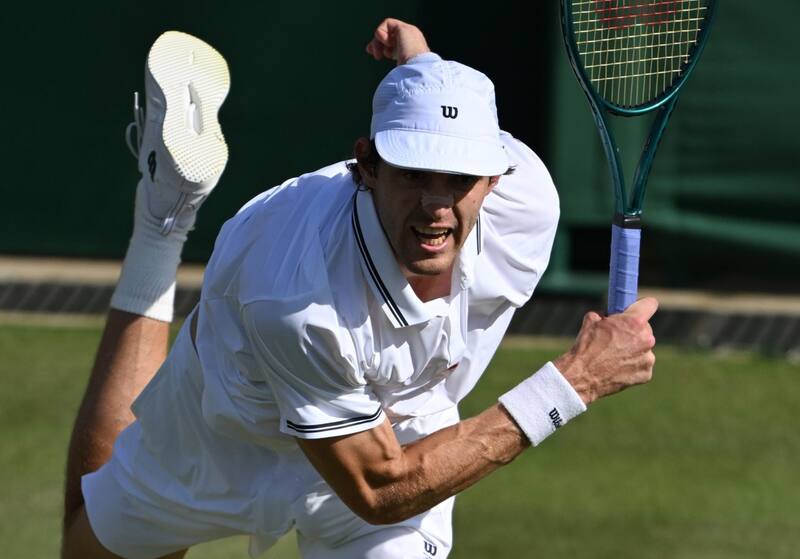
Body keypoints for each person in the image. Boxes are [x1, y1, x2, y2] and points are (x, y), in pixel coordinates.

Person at [62, 18, 657, 559]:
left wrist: (421, 67)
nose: (436, 206)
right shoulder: (295, 298)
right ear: (366, 167)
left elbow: (381, 492)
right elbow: (381, 488)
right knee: (84, 546)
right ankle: (165, 215)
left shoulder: (525, 208)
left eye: (459, 179)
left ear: (496, 177)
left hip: (401, 435)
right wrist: (575, 381)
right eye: (412, 174)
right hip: (230, 435)